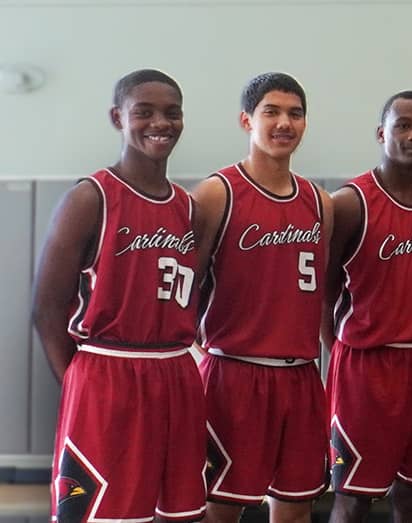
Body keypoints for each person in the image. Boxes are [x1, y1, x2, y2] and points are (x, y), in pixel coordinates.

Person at [33, 69, 207, 523]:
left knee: (181, 513)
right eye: (144, 112)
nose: (160, 123)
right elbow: (47, 307)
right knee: (103, 515)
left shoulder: (190, 208)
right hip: (106, 371)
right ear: (118, 118)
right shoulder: (91, 197)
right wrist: (76, 379)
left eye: (172, 113)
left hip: (175, 372)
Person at [192, 72, 332, 523]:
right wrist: (198, 358)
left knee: (295, 506)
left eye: (295, 114)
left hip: (300, 376)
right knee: (221, 507)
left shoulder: (319, 201)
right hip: (233, 374)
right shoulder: (218, 193)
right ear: (246, 121)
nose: (284, 123)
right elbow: (183, 288)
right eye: (271, 112)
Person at [323, 91, 412, 523]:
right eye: (403, 125)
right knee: (355, 496)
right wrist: (339, 352)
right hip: (367, 366)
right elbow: (322, 292)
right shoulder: (349, 203)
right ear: (382, 133)